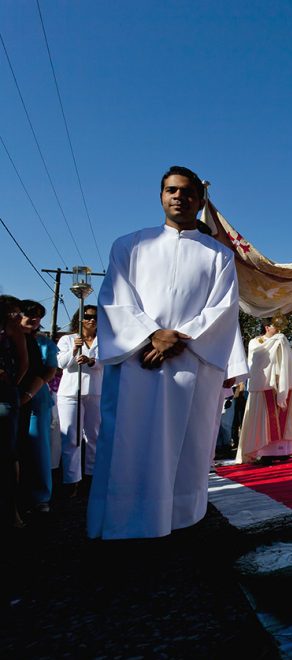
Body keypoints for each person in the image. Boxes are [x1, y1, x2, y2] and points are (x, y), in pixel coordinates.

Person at [88, 166, 247, 539]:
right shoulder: (129, 245)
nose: (179, 197)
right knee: (129, 441)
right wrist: (150, 334)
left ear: (200, 200)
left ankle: (179, 521)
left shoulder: (218, 256)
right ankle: (121, 523)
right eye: (172, 190)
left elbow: (223, 309)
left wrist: (180, 337)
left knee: (184, 444)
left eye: (188, 192)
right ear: (161, 196)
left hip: (188, 363)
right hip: (135, 361)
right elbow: (114, 299)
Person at [236, 316, 292, 463]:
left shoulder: (282, 339)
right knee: (265, 419)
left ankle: (283, 450)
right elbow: (256, 360)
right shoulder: (255, 341)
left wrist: (281, 344)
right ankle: (264, 451)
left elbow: (290, 360)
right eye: (276, 326)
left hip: (282, 383)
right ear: (267, 327)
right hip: (264, 384)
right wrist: (275, 343)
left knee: (283, 417)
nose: (279, 329)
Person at [16, 301, 58, 514]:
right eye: (29, 313)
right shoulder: (7, 338)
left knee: (38, 446)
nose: (34, 318)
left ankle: (41, 496)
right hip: (10, 395)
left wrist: (29, 393)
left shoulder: (44, 343)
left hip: (36, 398)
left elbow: (50, 371)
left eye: (39, 315)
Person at [55, 305, 103, 491]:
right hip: (70, 393)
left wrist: (92, 361)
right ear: (80, 318)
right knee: (71, 437)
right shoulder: (68, 339)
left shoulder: (104, 340)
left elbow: (105, 363)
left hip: (95, 391)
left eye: (95, 317)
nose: (92, 320)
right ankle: (71, 478)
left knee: (94, 436)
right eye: (88, 316)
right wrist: (74, 351)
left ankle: (91, 475)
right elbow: (62, 363)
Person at [1, 296, 28, 530]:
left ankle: (11, 511)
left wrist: (11, 386)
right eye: (13, 314)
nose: (18, 318)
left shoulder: (11, 330)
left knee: (7, 454)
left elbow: (23, 363)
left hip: (4, 396)